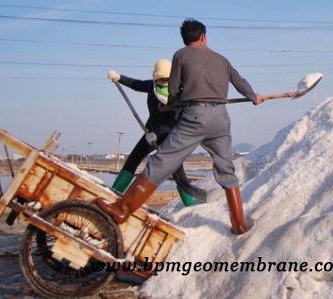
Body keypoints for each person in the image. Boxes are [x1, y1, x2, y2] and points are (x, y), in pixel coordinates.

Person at [97, 19, 264, 234]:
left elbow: (174, 89)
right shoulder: (221, 59)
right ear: (203, 37)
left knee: (160, 162)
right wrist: (253, 96)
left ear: (185, 39)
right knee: (226, 168)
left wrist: (178, 101)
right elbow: (239, 81)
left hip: (195, 115)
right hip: (221, 118)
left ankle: (121, 208)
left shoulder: (180, 56)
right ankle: (239, 224)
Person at [107, 59, 197, 206]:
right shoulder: (152, 86)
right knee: (133, 159)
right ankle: (113, 193)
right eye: (161, 78)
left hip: (170, 136)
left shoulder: (178, 93)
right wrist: (119, 78)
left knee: (176, 171)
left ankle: (190, 205)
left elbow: (173, 121)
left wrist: (157, 133)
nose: (164, 80)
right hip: (150, 133)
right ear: (155, 76)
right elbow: (136, 84)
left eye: (167, 78)